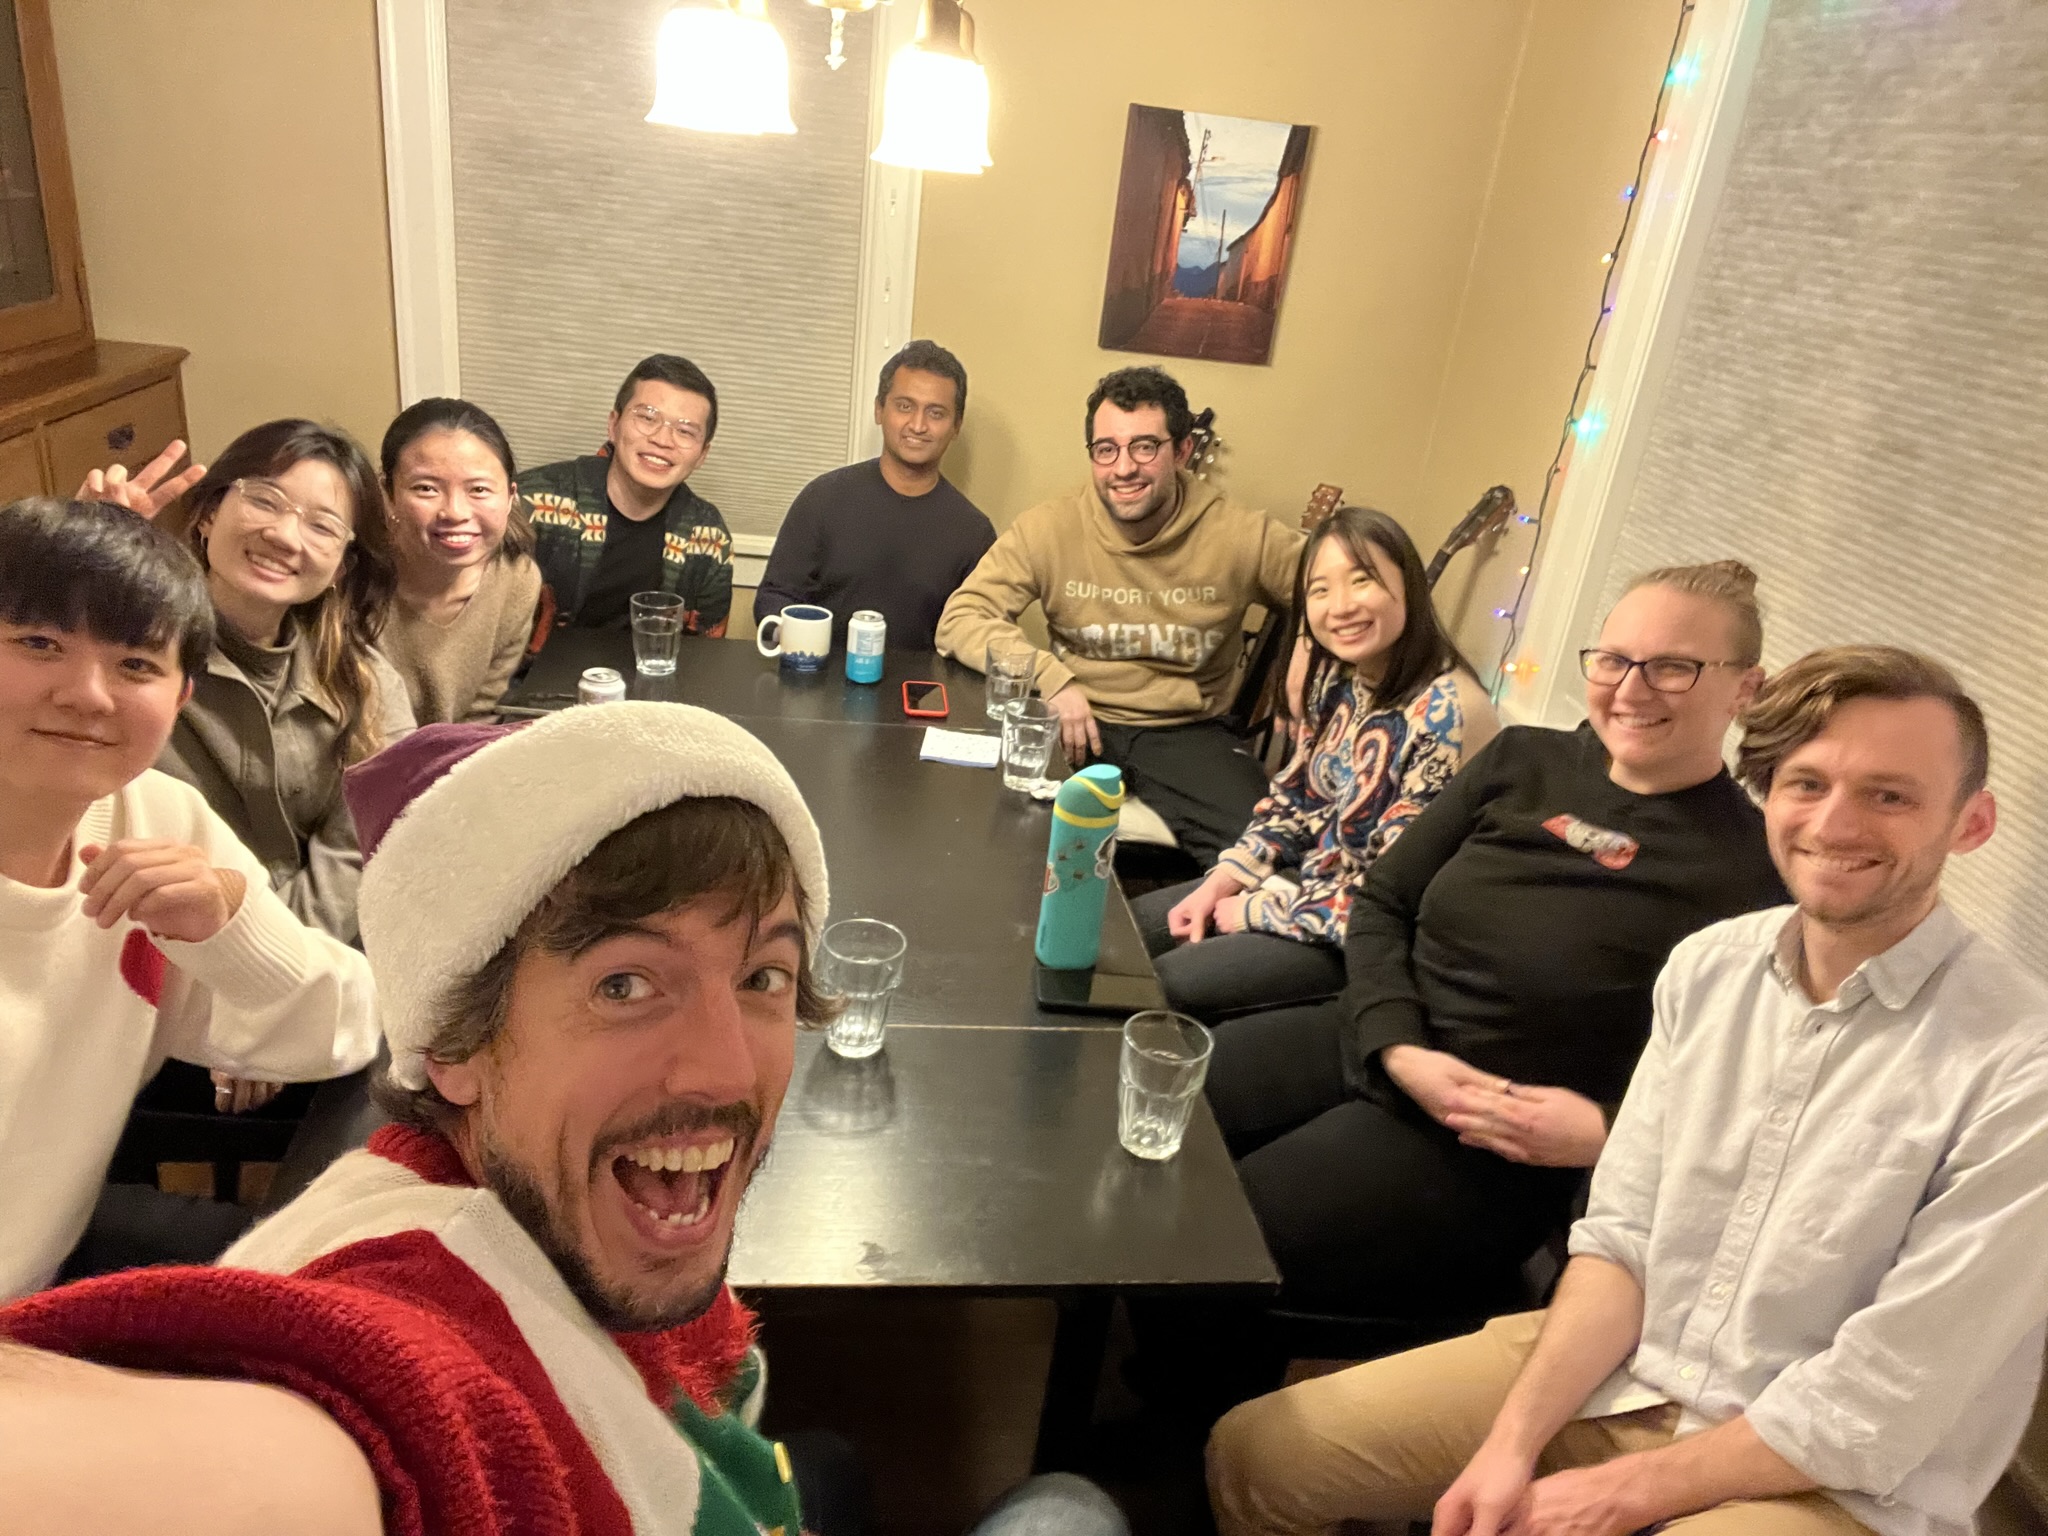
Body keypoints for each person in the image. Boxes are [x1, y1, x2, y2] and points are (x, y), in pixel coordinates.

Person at [0, 701, 1129, 1536]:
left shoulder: (570, 1197)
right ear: (453, 1045)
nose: (730, 1067)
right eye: (625, 984)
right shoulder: (401, 1339)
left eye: (764, 977)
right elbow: (307, 1435)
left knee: (829, 1461)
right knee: (1073, 1509)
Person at [1208, 645, 2048, 1536]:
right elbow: (1623, 1237)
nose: (1834, 824)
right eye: (1807, 784)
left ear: (1971, 822)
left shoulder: (2017, 1064)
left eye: (1890, 795)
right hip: (1627, 1371)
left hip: (1828, 1474)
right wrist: (1509, 1443)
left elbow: (1886, 1397)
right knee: (1263, 1457)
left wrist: (1626, 1493)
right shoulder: (1709, 968)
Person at [1202, 560, 1789, 1338]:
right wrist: (1399, 1045)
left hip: (1484, 1136)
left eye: (1673, 667)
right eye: (1613, 660)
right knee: (1145, 1124)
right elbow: (1382, 902)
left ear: (1745, 689)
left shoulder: (1756, 869)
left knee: (1217, 1237)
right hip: (1375, 1036)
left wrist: (1608, 1131)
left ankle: (1182, 1427)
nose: (1630, 688)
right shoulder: (1524, 761)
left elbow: (1754, 1092)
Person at [0, 498, 379, 1301]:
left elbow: (351, 1024)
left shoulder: (157, 818)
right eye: (40, 644)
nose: (88, 694)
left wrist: (230, 927)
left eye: (136, 665)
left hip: (42, 1283)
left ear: (180, 699)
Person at [1130, 507, 1496, 1021]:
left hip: (1374, 942)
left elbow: (1391, 896)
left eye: (1362, 580)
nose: (1340, 606)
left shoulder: (1448, 714)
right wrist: (1222, 880)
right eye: (1320, 590)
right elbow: (1296, 801)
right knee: (1124, 931)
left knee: (1169, 983)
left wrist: (1255, 912)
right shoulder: (1340, 677)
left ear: (1408, 585)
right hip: (1306, 890)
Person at [936, 366, 1304, 863]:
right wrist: (1051, 678)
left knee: (1272, 856)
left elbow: (1335, 590)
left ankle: (1174, 933)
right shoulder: (1049, 528)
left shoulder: (1240, 535)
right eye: (1106, 449)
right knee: (984, 836)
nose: (1123, 468)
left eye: (1145, 447)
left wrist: (1303, 656)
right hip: (1076, 718)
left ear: (1182, 452)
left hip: (1188, 732)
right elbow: (961, 617)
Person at [133, 419, 416, 947]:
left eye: (322, 526)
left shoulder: (366, 682)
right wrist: (71, 576)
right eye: (264, 501)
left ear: (340, 567)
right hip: (158, 951)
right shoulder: (126, 657)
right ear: (211, 512)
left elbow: (366, 849)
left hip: (323, 961)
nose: (285, 536)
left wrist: (272, 956)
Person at [756, 339, 995, 651]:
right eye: (905, 406)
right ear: (879, 410)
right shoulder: (823, 500)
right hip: (816, 683)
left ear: (956, 425)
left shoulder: (973, 532)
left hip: (919, 695)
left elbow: (981, 632)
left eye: (936, 413)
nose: (918, 425)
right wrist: (799, 641)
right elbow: (774, 598)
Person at [524, 353, 734, 636]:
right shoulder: (533, 503)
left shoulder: (708, 537)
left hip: (653, 678)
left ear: (702, 454)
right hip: (534, 677)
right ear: (613, 425)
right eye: (647, 418)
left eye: (684, 431)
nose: (662, 440)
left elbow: (705, 657)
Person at [378, 397, 545, 723]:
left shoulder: (516, 580)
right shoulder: (348, 578)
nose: (455, 512)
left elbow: (479, 718)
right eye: (426, 488)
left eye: (479, 490)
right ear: (389, 493)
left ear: (510, 497)